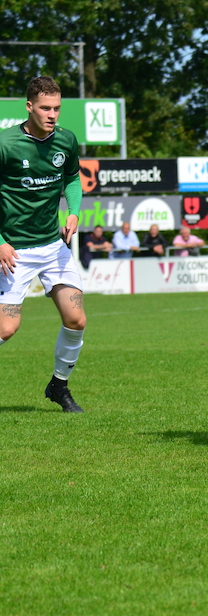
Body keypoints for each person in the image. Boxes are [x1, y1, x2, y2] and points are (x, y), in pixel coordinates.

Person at [0, 76, 88, 413]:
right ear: (29, 107)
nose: (52, 114)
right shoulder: (6, 144)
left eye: (57, 108)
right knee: (7, 328)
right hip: (15, 251)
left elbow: (72, 178)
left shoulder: (65, 140)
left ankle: (58, 386)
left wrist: (74, 212)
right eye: (45, 108)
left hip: (53, 247)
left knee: (76, 319)